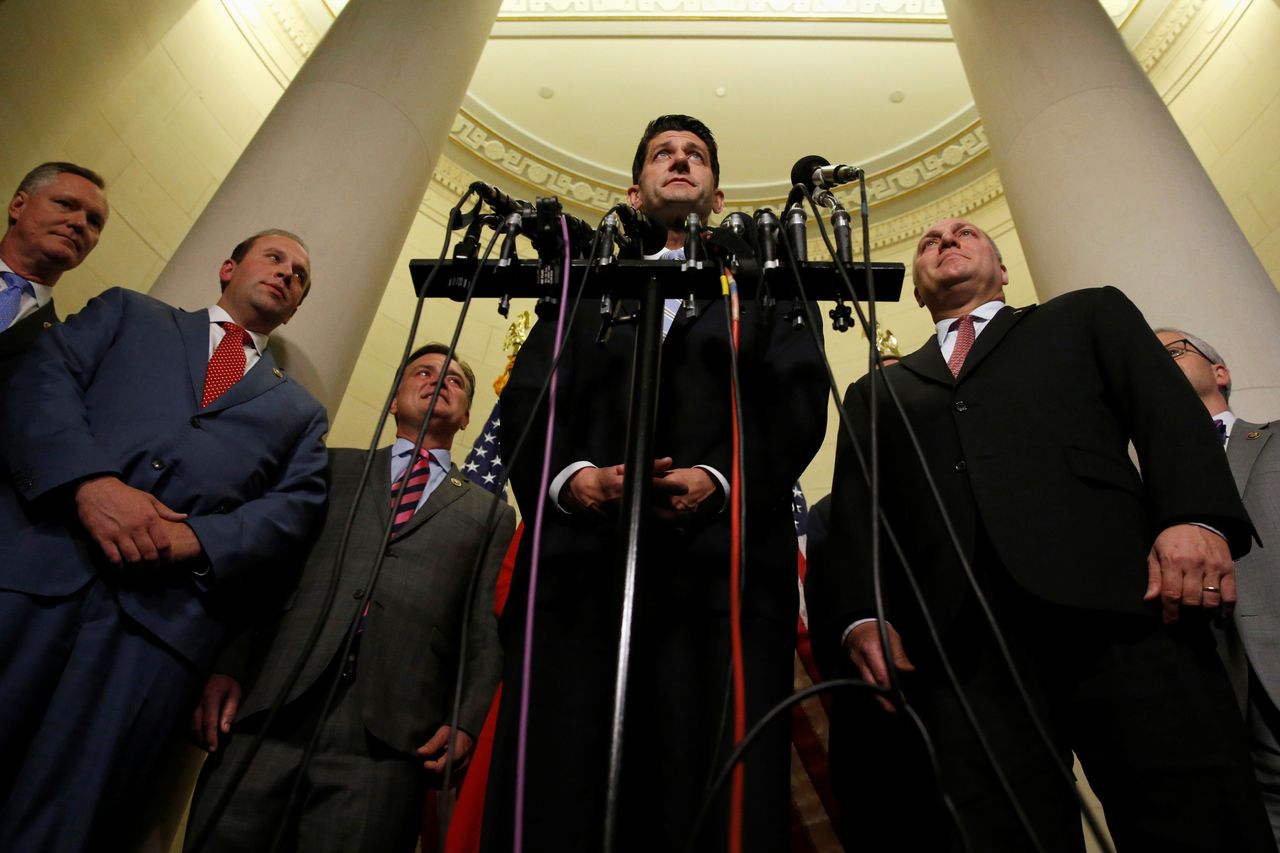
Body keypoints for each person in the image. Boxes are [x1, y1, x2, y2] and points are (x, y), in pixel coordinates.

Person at [809, 218, 1275, 852]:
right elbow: (859, 512)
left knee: (1193, 813)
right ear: (916, 291)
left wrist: (1192, 519)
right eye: (928, 242)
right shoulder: (876, 391)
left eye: (965, 231)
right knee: (1001, 831)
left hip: (1124, 605)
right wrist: (861, 616)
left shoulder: (1085, 317)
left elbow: (1166, 416)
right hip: (963, 645)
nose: (945, 240)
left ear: (1003, 271)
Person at [484, 115, 828, 852]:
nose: (680, 161)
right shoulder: (584, 285)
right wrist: (574, 483)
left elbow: (799, 401)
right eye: (663, 154)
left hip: (723, 576)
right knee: (566, 796)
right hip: (586, 576)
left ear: (719, 193)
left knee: (710, 799)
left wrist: (720, 478)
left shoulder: (764, 281)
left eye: (695, 154)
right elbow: (530, 397)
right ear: (634, 191)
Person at [0, 228, 328, 851]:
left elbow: (294, 511)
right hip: (30, 577)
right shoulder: (128, 312)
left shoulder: (301, 413)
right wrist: (90, 484)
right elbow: (43, 383)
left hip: (152, 633)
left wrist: (198, 541)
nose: (287, 273)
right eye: (275, 257)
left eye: (301, 275)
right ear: (228, 267)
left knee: (65, 819)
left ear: (297, 306)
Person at [183, 344, 515, 853]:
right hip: (274, 703)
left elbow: (481, 627)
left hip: (390, 737)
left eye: (455, 381)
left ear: (468, 415)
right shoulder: (330, 467)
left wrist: (466, 719)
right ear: (393, 400)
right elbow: (271, 572)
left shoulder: (489, 513)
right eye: (423, 371)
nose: (438, 382)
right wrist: (229, 663)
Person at [1156, 326, 1280, 843]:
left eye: (1171, 352)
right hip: (1217, 701)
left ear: (1220, 372)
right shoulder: (1137, 483)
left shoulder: (1274, 438)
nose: (1155, 364)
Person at [0, 161, 108, 385]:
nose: (80, 223)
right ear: (18, 205)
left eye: (94, 222)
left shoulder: (60, 352)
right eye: (66, 204)